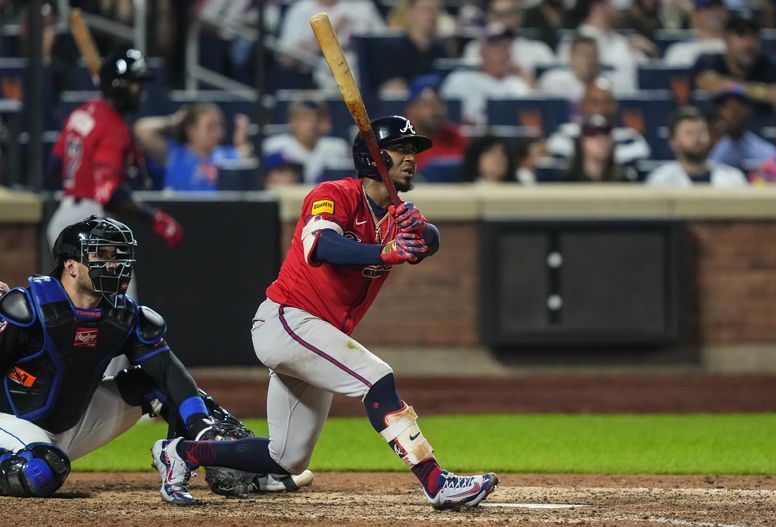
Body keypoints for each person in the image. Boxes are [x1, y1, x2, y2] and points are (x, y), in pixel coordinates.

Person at [150, 116, 499, 509]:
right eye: (400, 149)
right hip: (288, 320)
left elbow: (426, 243)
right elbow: (321, 246)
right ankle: (436, 481)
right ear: (373, 157)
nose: (410, 158)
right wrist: (384, 251)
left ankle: (180, 453)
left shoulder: (396, 216)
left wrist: (425, 233)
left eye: (412, 151)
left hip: (317, 334)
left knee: (287, 458)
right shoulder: (333, 194)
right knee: (377, 378)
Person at [0, 216, 312, 500]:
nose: (114, 264)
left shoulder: (123, 315)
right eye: (102, 255)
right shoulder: (26, 308)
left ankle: (241, 466)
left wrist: (202, 428)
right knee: (41, 471)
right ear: (71, 265)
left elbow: (168, 373)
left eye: (118, 255)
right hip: (13, 422)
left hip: (72, 426)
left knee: (157, 385)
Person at [47, 48, 183, 261]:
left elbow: (54, 165)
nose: (140, 91)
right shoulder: (114, 127)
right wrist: (154, 217)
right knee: (119, 282)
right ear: (117, 85)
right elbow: (109, 193)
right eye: (134, 84)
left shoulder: (82, 111)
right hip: (92, 222)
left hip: (63, 218)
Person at [133, 103, 254, 191]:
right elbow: (141, 130)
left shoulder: (226, 155)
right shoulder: (174, 154)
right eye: (210, 127)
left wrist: (241, 141)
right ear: (191, 130)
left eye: (220, 126)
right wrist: (173, 121)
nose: (218, 132)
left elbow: (246, 155)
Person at [693, 11, 776, 119]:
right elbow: (710, 83)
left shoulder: (771, 67)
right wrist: (763, 92)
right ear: (726, 39)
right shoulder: (708, 61)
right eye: (741, 34)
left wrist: (733, 88)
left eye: (753, 35)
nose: (748, 43)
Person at [546, 77, 650, 168]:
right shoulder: (564, 134)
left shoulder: (631, 138)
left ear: (615, 106)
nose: (601, 108)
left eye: (607, 102)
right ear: (582, 106)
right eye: (594, 102)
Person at [440, 23, 531, 124]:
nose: (505, 52)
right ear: (482, 52)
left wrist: (527, 79)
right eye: (498, 47)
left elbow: (529, 123)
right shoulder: (459, 80)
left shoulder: (517, 85)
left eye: (507, 46)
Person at [646, 105, 748, 187]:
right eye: (689, 133)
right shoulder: (660, 180)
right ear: (673, 141)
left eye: (701, 132)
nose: (697, 138)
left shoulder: (733, 178)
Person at [462, 0, 555, 85]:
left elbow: (550, 90)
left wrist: (528, 80)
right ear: (489, 17)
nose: (503, 20)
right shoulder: (474, 49)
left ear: (519, 17)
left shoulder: (539, 50)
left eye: (508, 14)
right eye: (498, 14)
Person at [262, 96, 351, 185]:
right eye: (304, 119)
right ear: (291, 121)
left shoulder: (337, 148)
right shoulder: (274, 146)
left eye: (315, 118)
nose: (310, 124)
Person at [707, 85, 776, 174]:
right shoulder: (712, 151)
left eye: (737, 107)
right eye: (727, 107)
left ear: (748, 110)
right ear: (720, 113)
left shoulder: (767, 153)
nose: (733, 114)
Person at [403, 75, 467, 171]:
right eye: (427, 105)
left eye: (438, 104)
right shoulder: (400, 143)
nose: (435, 111)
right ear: (410, 110)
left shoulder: (455, 137)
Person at [564, 114, 632, 182]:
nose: (601, 139)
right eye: (593, 134)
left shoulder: (623, 181)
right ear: (582, 142)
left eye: (606, 133)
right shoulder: (567, 182)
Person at [663, 0, 727, 68]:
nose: (715, 12)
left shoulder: (732, 49)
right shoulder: (679, 51)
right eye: (707, 8)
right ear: (694, 15)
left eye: (718, 7)